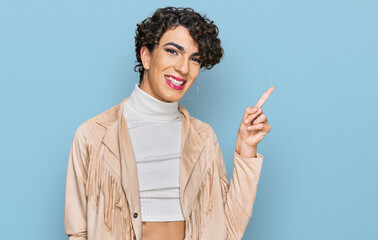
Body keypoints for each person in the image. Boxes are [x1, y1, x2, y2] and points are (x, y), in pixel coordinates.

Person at [64, 6, 274, 240]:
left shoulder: (203, 138)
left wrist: (246, 149)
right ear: (146, 56)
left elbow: (229, 231)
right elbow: (78, 232)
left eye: (194, 59)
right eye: (173, 51)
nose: (184, 68)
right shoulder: (93, 135)